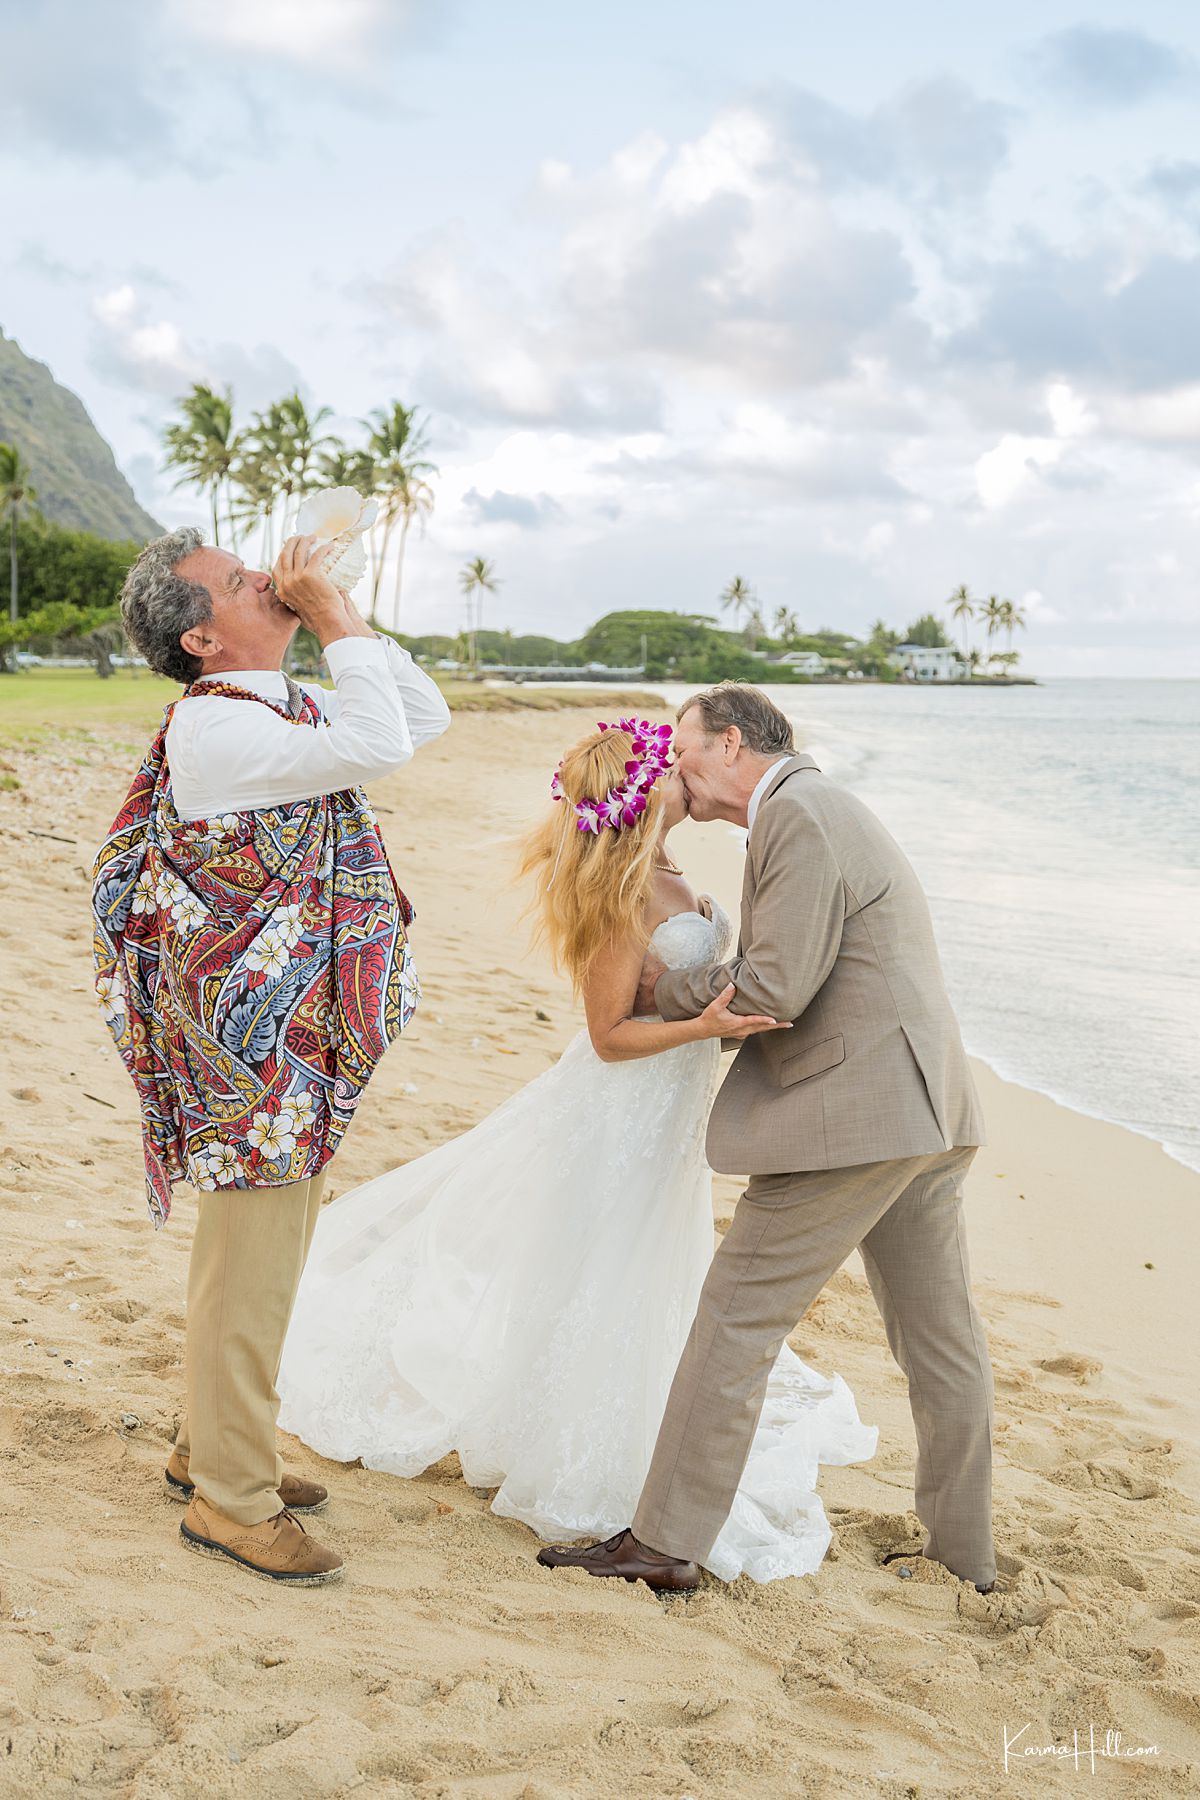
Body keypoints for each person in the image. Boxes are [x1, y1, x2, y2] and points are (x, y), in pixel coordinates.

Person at [276, 717, 880, 1583]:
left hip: (668, 1113)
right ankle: (569, 1441)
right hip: (618, 1108)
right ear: (643, 798)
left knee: (637, 1264)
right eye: (669, 767)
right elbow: (607, 1036)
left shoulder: (668, 874)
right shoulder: (623, 899)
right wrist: (704, 1026)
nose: (685, 772)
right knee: (601, 1265)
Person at [538, 682, 997, 1597]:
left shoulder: (801, 814)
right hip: (925, 1106)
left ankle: (666, 1544)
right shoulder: (810, 807)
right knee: (940, 1342)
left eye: (684, 752)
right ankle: (962, 1554)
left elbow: (774, 988)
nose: (677, 771)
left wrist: (659, 990)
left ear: (732, 744)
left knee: (733, 1325)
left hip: (854, 1119)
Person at [91, 528, 450, 1586]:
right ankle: (231, 1503)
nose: (266, 579)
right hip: (251, 1050)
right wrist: (334, 618)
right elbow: (382, 741)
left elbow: (416, 717)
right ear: (201, 635)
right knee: (251, 1270)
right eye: (239, 581)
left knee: (261, 1257)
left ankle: (212, 1449)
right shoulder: (218, 732)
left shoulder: (268, 709)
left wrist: (344, 622)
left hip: (282, 1036)